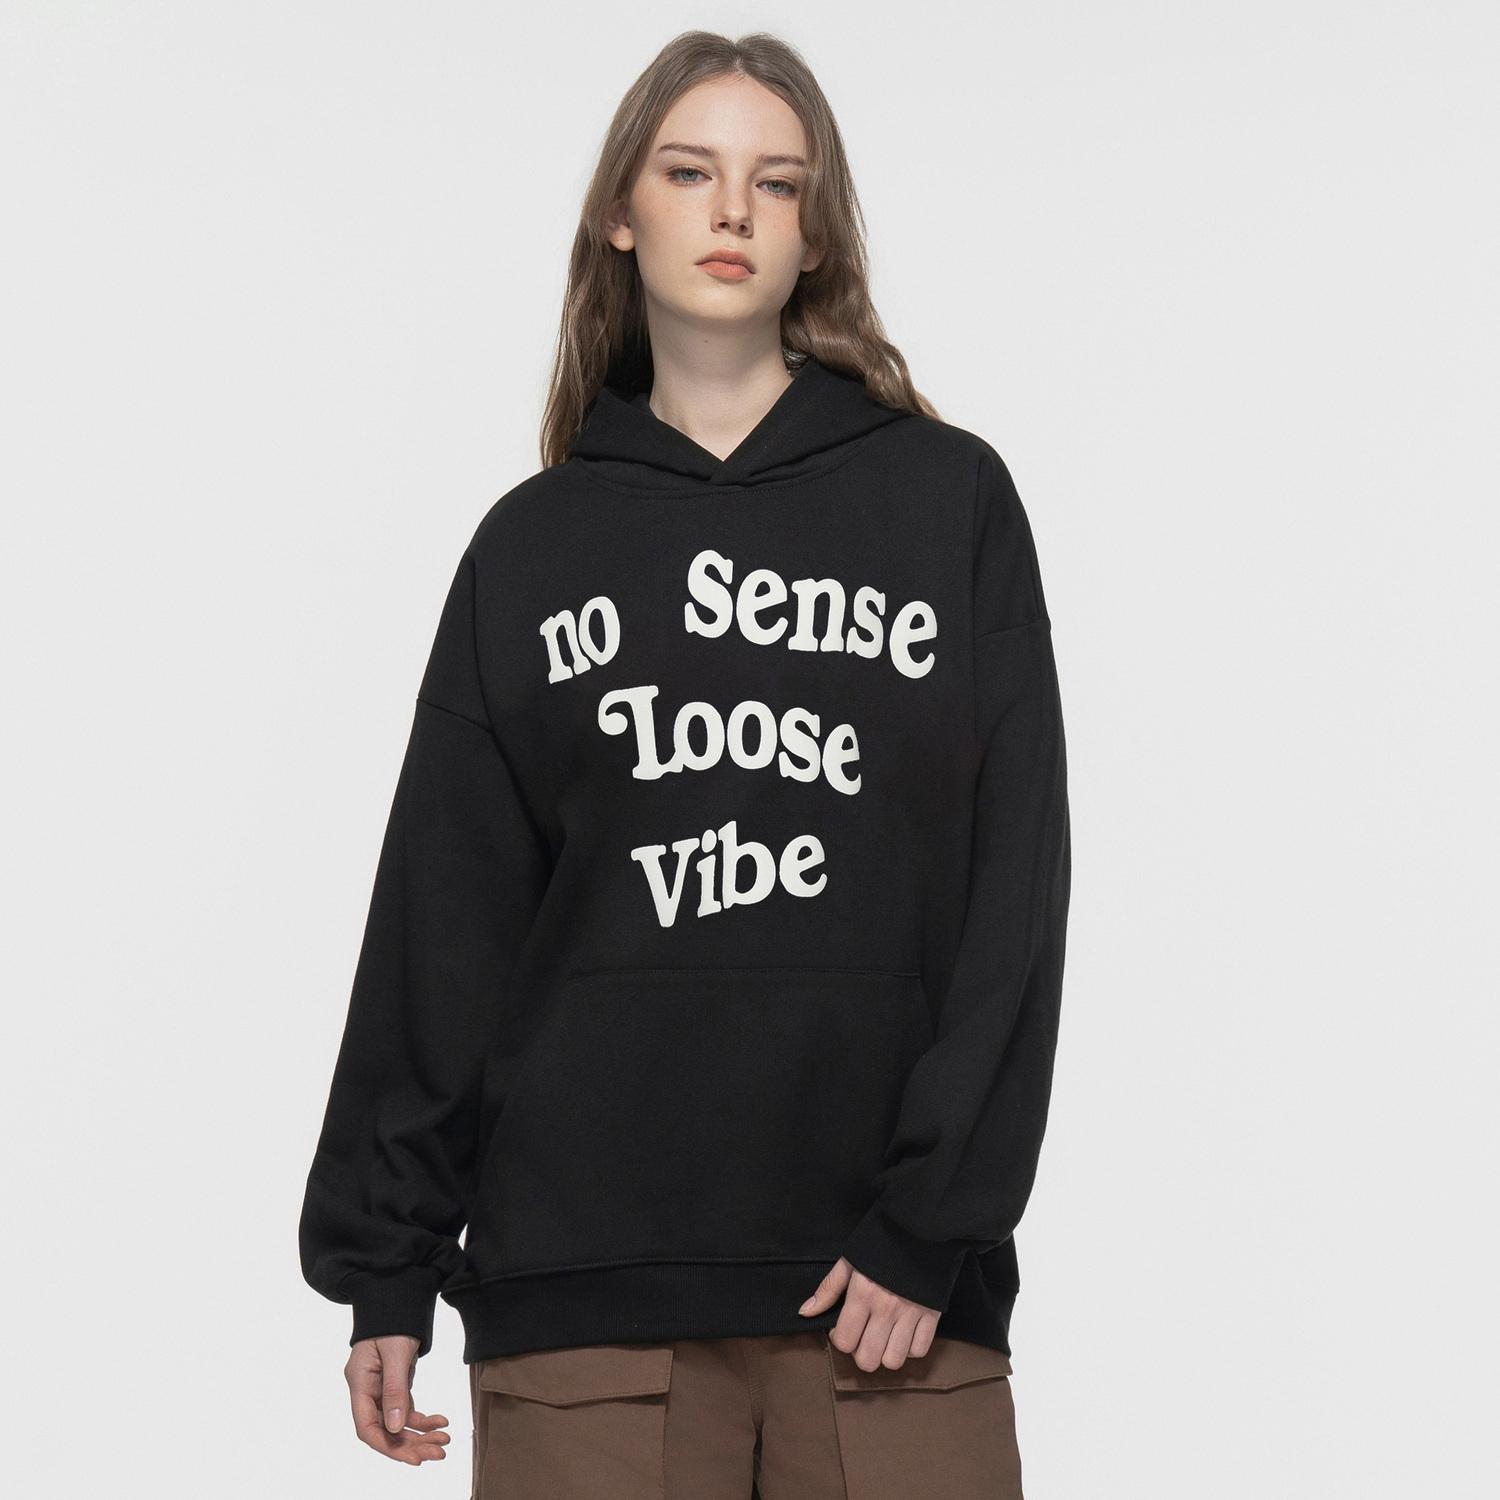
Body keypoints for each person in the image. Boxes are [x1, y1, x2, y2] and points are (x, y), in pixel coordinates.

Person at [298, 28, 1071, 1500]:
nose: (732, 211)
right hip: (582, 1309)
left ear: (815, 232)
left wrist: (934, 1219)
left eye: (776, 183)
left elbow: (1015, 897)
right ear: (620, 212)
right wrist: (385, 1261)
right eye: (688, 171)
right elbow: (443, 922)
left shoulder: (948, 503)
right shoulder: (533, 549)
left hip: (889, 1309)